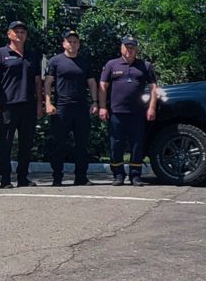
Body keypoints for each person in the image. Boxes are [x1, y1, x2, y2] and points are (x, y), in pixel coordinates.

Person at [0, 21, 44, 188]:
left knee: (26, 144)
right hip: (7, 106)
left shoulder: (33, 55)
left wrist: (40, 104)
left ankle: (23, 177)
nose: (19, 34)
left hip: (28, 105)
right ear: (9, 34)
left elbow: (37, 82)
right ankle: (5, 178)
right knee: (6, 143)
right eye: (16, 31)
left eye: (22, 32)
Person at [99, 37, 158, 186]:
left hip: (137, 113)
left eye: (132, 47)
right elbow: (103, 87)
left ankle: (135, 175)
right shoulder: (112, 64)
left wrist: (151, 107)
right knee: (116, 144)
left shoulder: (145, 66)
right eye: (126, 47)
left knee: (137, 144)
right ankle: (118, 174)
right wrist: (102, 107)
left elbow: (154, 89)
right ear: (121, 48)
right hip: (116, 112)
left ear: (136, 49)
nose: (129, 50)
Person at [45, 30, 99, 186]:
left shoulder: (85, 62)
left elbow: (92, 83)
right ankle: (57, 177)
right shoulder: (55, 61)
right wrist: (48, 102)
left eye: (75, 42)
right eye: (69, 41)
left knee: (82, 144)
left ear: (79, 45)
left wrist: (95, 102)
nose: (72, 44)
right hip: (62, 107)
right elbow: (48, 83)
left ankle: (81, 176)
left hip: (81, 107)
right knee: (59, 144)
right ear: (64, 43)